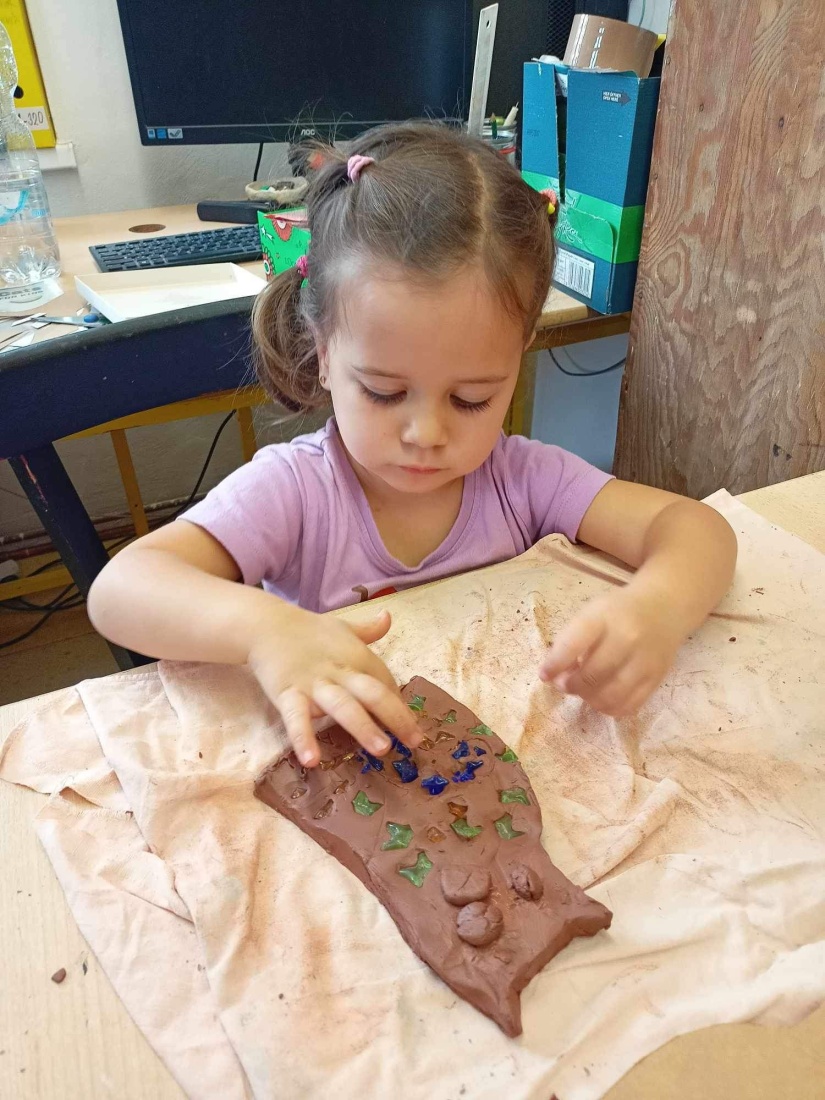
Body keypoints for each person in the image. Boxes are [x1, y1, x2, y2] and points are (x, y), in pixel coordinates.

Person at [88, 123, 737, 768]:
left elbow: (694, 529)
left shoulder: (522, 479)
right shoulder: (295, 491)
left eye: (471, 398)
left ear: (519, 356)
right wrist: (266, 632)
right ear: (323, 354)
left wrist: (658, 608)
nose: (426, 434)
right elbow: (122, 590)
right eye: (384, 392)